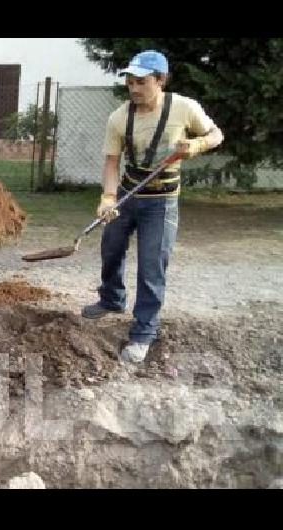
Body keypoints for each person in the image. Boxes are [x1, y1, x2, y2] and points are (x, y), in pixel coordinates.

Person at [82, 50, 224, 362]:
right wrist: (107, 198)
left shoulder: (184, 108)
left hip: (162, 201)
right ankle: (111, 299)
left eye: (141, 82)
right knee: (111, 248)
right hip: (128, 194)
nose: (134, 88)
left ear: (160, 80)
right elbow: (111, 162)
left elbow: (216, 134)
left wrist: (197, 145)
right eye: (130, 82)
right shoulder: (119, 117)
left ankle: (143, 332)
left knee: (151, 266)